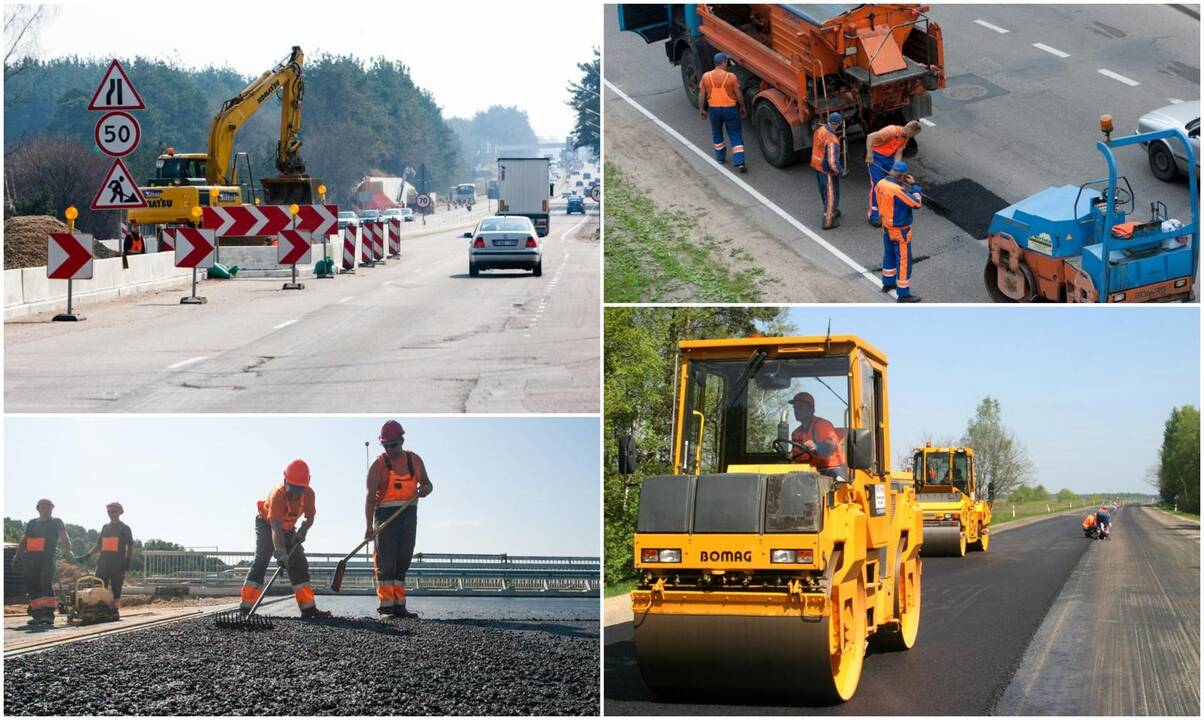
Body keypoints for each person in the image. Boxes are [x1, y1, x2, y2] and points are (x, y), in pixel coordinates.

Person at [238, 460, 332, 620]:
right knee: (261, 561)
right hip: (267, 525)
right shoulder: (278, 495)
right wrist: (281, 553)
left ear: (305, 486)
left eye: (299, 489)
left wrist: (303, 531)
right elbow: (275, 526)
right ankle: (246, 608)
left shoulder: (309, 495)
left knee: (299, 563)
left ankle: (308, 609)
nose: (294, 493)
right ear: (285, 481)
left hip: (288, 530)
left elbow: (310, 518)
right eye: (291, 488)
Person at [365, 420, 433, 619]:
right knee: (386, 562)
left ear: (401, 440)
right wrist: (368, 527)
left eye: (392, 444)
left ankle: (399, 606)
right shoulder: (378, 465)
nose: (389, 449)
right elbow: (370, 499)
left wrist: (426, 490)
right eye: (385, 445)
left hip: (408, 515)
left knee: (403, 560)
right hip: (385, 517)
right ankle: (386, 607)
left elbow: (428, 484)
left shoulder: (415, 461)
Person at [14, 499, 71, 626]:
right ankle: (37, 615)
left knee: (45, 583)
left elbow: (64, 536)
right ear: (38, 509)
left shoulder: (56, 522)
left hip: (46, 558)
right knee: (32, 586)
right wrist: (17, 556)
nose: (46, 510)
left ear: (52, 509)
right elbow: (24, 540)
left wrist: (67, 550)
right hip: (30, 559)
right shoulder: (31, 523)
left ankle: (48, 615)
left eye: (48, 508)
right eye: (43, 508)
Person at [874, 160, 924, 303]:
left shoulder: (881, 184)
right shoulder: (897, 190)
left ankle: (888, 283)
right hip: (899, 231)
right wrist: (914, 186)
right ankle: (903, 294)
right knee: (903, 262)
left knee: (888, 256)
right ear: (902, 176)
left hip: (886, 228)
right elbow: (916, 203)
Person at [865, 121, 922, 227]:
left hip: (888, 158)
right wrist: (869, 154)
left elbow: (899, 152)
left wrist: (897, 169)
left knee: (894, 182)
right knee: (877, 185)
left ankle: (888, 206)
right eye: (913, 135)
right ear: (909, 129)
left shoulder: (905, 136)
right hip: (876, 157)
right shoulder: (891, 131)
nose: (912, 137)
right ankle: (873, 214)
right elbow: (870, 137)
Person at [699, 52, 748, 172]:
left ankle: (720, 157)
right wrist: (742, 107)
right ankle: (739, 162)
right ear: (724, 62)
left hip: (714, 110)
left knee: (717, 133)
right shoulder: (731, 77)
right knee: (735, 134)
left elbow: (701, 95)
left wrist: (702, 110)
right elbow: (739, 94)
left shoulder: (706, 77)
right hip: (730, 109)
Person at [79, 502, 133, 607]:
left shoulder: (124, 528)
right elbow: (99, 545)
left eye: (113, 511)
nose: (111, 514)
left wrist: (127, 560)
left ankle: (114, 609)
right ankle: (99, 607)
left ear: (119, 512)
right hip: (103, 562)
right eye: (109, 512)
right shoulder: (105, 528)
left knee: (116, 587)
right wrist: (88, 555)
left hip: (118, 563)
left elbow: (130, 546)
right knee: (98, 585)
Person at [788, 392, 846, 479]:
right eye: (795, 408)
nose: (796, 411)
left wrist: (817, 447)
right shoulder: (795, 433)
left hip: (829, 470)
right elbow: (795, 456)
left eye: (800, 407)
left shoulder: (821, 424)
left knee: (839, 488)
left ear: (811, 409)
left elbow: (830, 444)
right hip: (808, 472)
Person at [811, 113, 843, 229]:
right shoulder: (832, 140)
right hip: (827, 171)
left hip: (817, 165)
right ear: (838, 124)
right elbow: (832, 161)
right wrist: (840, 171)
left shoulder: (820, 130)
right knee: (831, 196)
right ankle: (828, 222)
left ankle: (832, 210)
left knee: (824, 192)